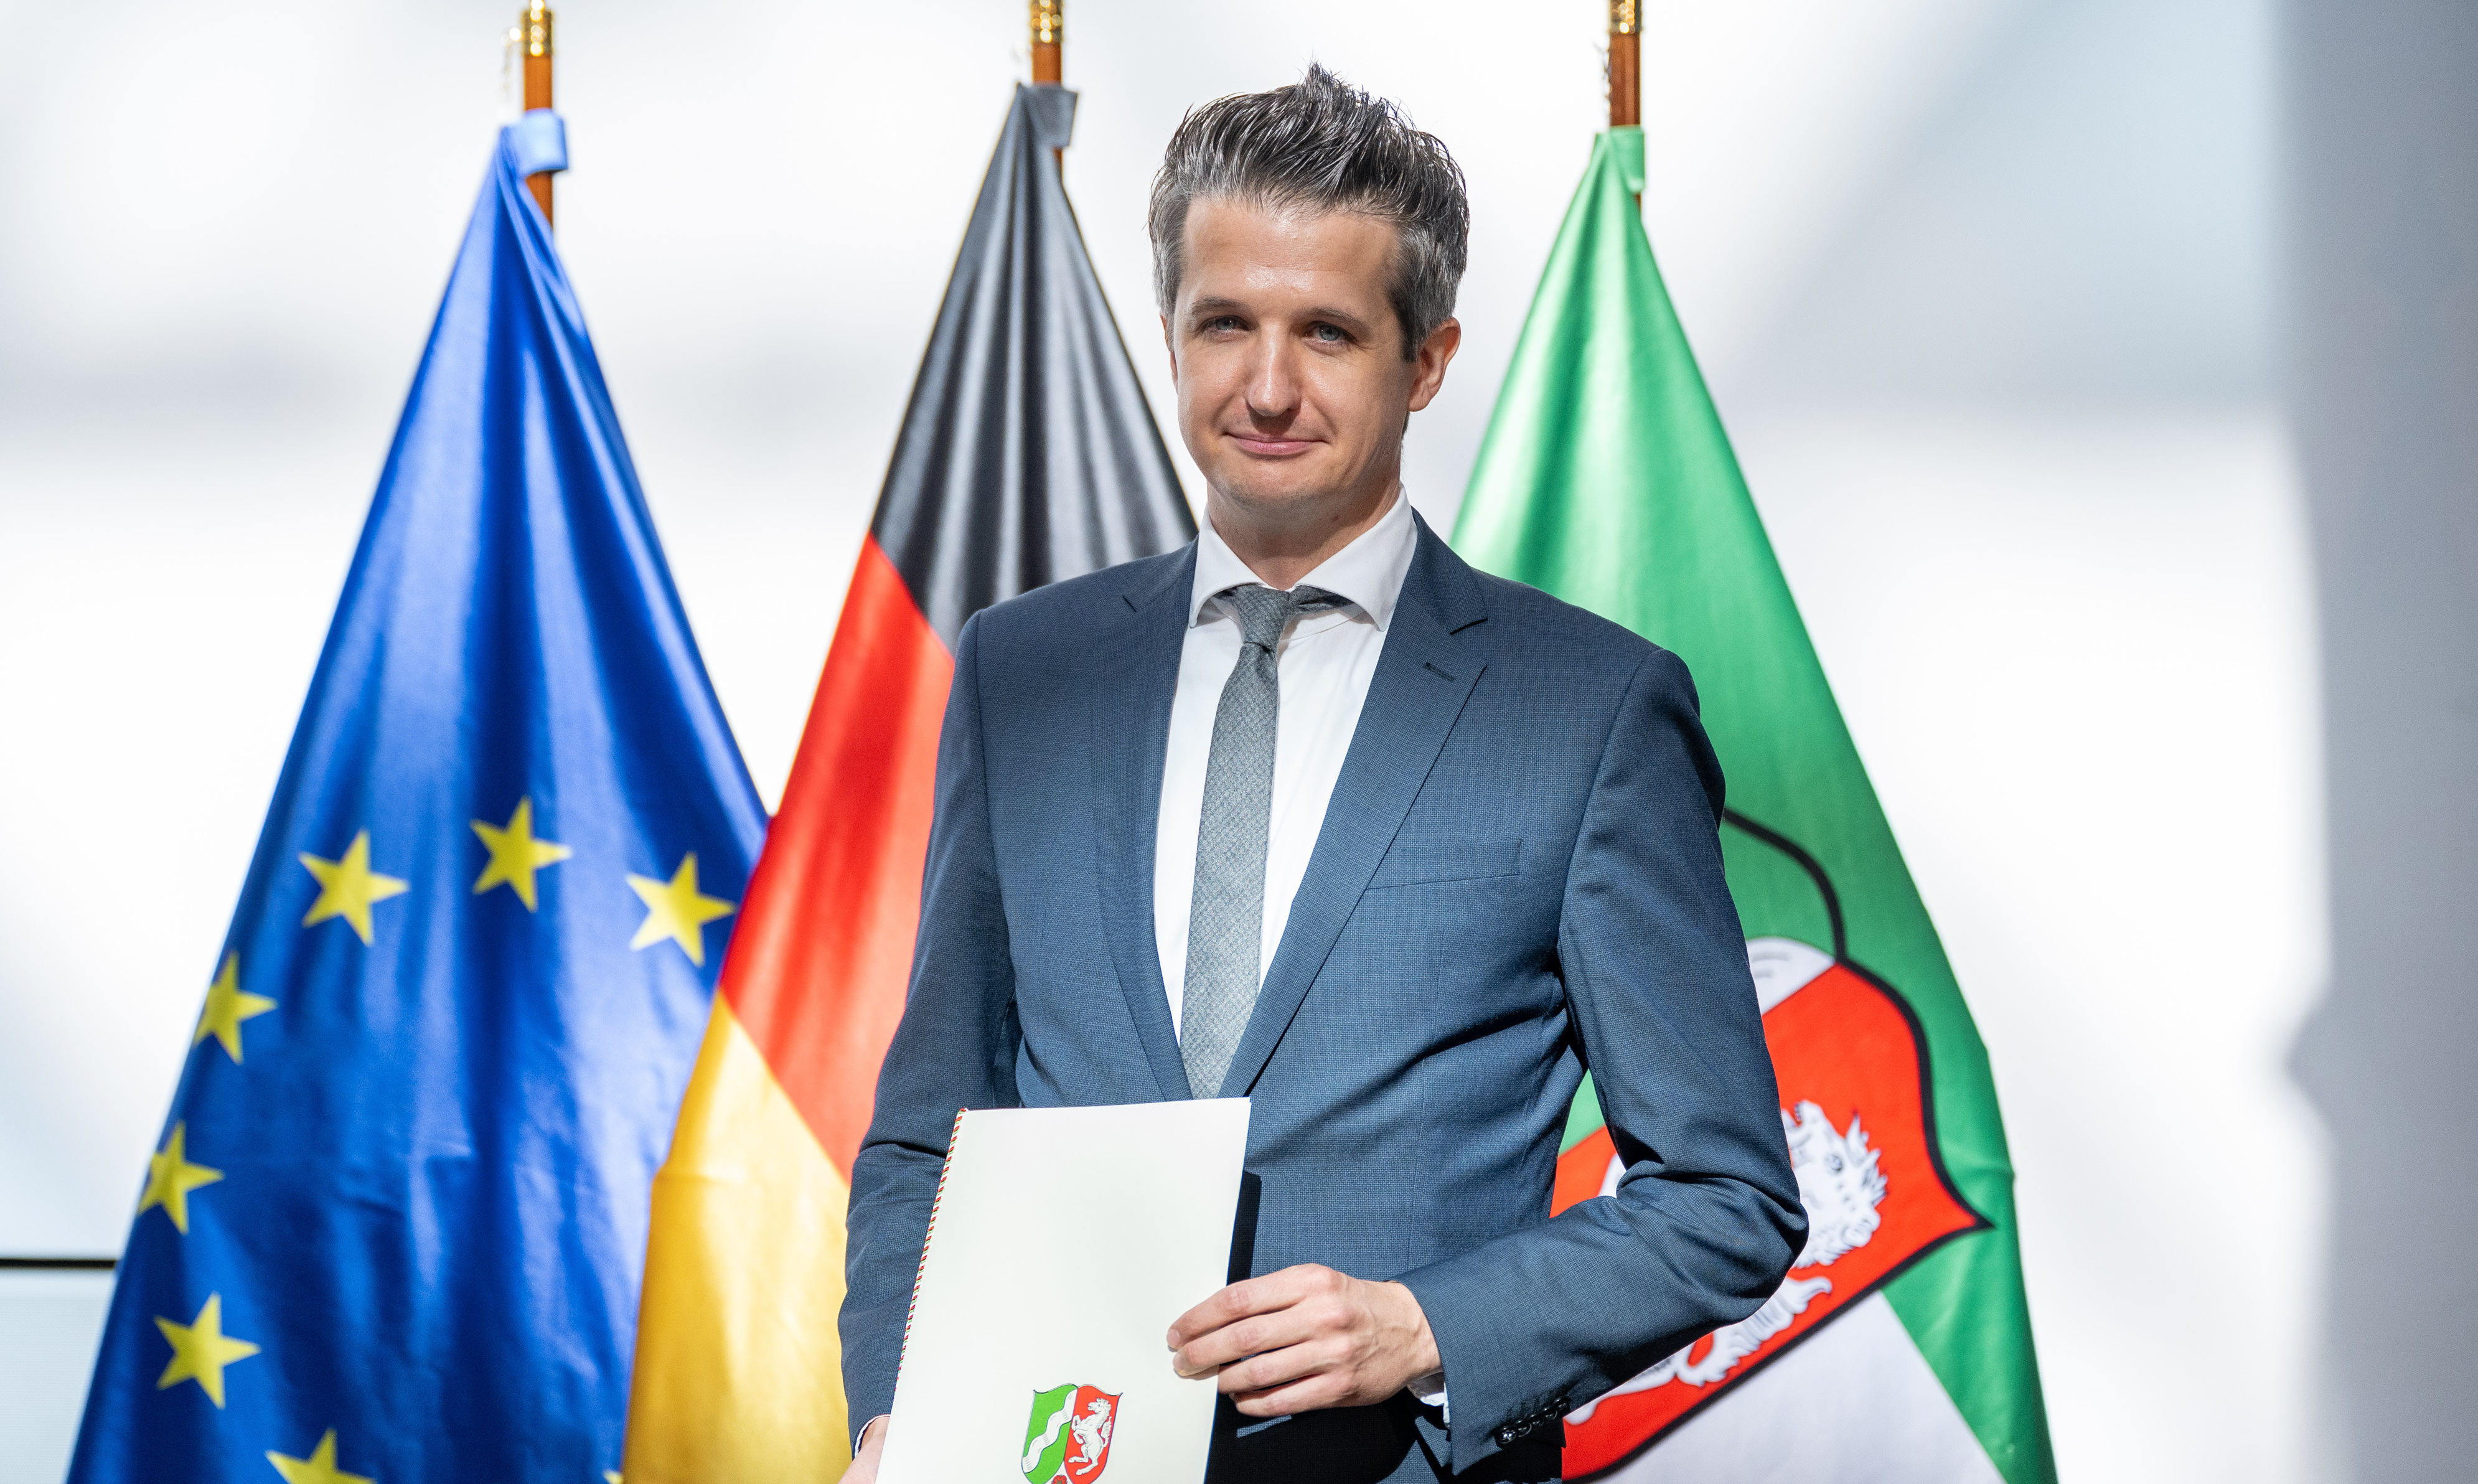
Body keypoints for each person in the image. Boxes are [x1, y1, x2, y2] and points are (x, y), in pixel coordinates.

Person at [840, 67, 1803, 1484]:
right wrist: (897, 1421)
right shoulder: (1019, 671)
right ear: (1169, 332)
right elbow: (929, 1138)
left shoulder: (1587, 710)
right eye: (1224, 322)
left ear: (1427, 362)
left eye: (1328, 333)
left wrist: (1425, 1327)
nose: (1267, 387)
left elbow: (1723, 1196)